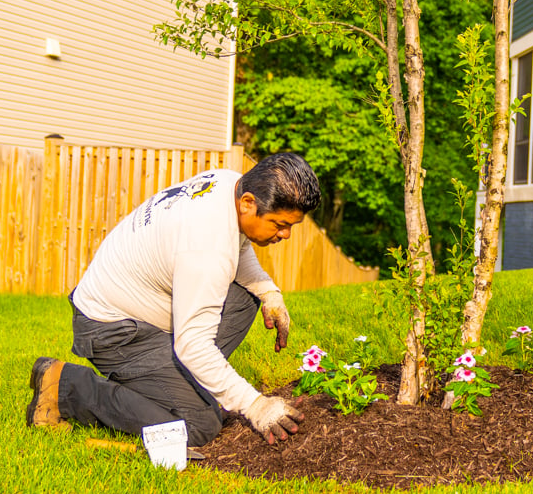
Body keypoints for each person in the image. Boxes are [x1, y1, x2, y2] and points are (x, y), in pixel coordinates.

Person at [25, 153, 321, 448]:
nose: (286, 234)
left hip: (136, 308)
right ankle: (66, 387)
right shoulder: (206, 246)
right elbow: (193, 344)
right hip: (111, 330)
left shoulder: (228, 183)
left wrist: (269, 292)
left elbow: (238, 246)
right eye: (280, 224)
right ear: (248, 203)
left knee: (246, 297)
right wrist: (254, 405)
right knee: (198, 425)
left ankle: (183, 385)